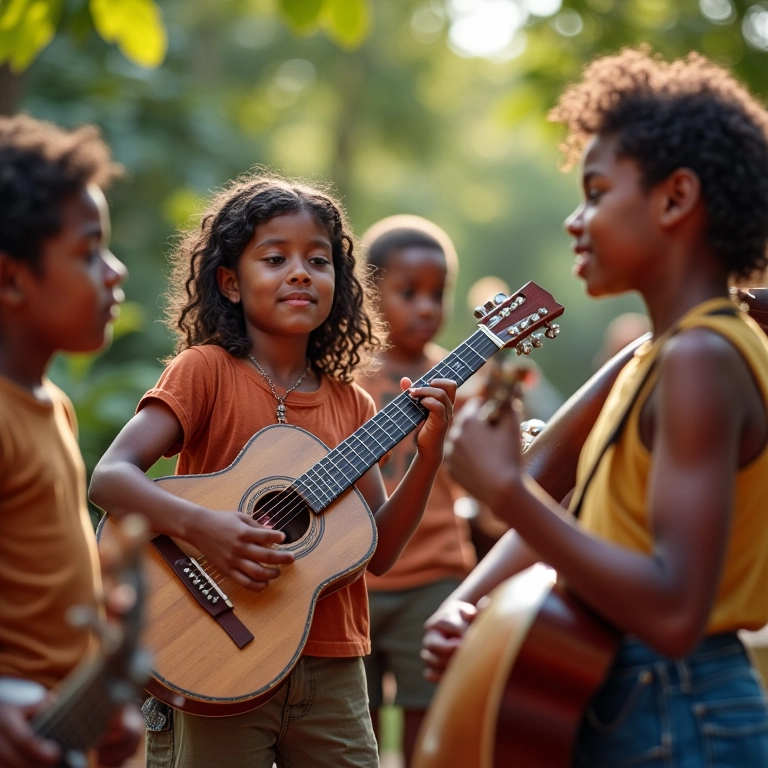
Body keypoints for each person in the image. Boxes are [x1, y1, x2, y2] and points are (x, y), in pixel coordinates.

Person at [422, 48, 768, 766]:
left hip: (678, 705)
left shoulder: (701, 361)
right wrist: (470, 601)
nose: (575, 221)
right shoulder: (660, 356)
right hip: (639, 697)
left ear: (674, 199)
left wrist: (507, 493)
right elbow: (581, 516)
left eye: (597, 192)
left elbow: (674, 611)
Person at [88, 174, 457, 768]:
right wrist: (207, 528)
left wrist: (430, 457)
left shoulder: (353, 405)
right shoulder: (203, 371)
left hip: (333, 667)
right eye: (275, 257)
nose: (301, 272)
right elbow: (110, 478)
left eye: (319, 260)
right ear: (230, 283)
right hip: (215, 656)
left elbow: (379, 551)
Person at [0, 114, 142, 767]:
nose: (114, 271)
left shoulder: (50, 404)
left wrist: (98, 704)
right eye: (89, 252)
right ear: (11, 278)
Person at [357, 215, 476, 766]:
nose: (426, 308)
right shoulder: (344, 378)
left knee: (431, 724)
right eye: (408, 293)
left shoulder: (458, 378)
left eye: (438, 294)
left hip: (435, 575)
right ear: (368, 292)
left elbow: (475, 475)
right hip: (350, 580)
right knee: (356, 732)